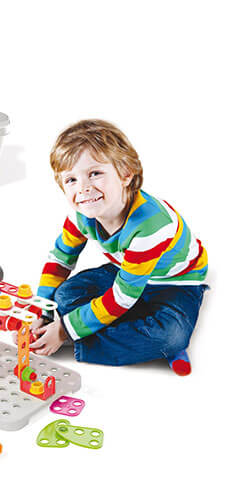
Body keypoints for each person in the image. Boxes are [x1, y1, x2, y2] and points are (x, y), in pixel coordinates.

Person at [24, 119, 208, 375]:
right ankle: (121, 334)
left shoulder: (151, 225)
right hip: (126, 270)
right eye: (71, 179)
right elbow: (60, 259)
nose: (83, 188)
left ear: (125, 174)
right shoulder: (82, 213)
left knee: (170, 337)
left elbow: (123, 296)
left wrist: (64, 331)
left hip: (174, 282)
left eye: (95, 173)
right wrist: (41, 313)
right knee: (64, 295)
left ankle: (95, 340)